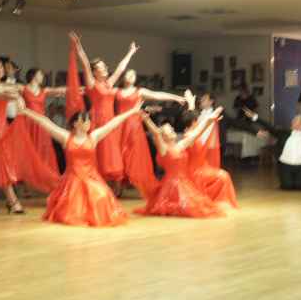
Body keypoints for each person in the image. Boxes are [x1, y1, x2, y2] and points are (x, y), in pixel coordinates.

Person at [18, 102, 143, 227]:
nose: (88, 123)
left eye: (88, 120)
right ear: (75, 123)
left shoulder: (94, 136)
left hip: (91, 177)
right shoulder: (66, 137)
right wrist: (26, 111)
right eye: (84, 120)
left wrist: (132, 111)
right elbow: (45, 122)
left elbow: (113, 123)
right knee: (73, 205)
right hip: (72, 180)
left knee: (102, 196)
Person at [0, 59, 59, 214]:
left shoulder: (2, 85)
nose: (1, 70)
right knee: (0, 164)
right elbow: (0, 95)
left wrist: (17, 95)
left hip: (1, 127)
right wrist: (17, 97)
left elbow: (12, 91)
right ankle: (10, 201)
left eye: (1, 67)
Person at [69, 31, 139, 193]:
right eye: (101, 67)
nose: (106, 68)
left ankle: (116, 187)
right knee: (100, 154)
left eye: (105, 66)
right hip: (97, 121)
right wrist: (78, 46)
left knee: (113, 154)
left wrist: (130, 52)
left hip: (111, 122)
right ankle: (98, 186)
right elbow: (85, 63)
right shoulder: (92, 83)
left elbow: (120, 68)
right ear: (95, 72)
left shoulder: (109, 83)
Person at [136, 107, 224, 218]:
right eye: (169, 130)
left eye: (171, 129)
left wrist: (210, 120)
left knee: (195, 205)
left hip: (185, 182)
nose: (172, 130)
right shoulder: (163, 148)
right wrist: (146, 119)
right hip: (171, 185)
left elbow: (197, 133)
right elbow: (156, 133)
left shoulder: (181, 145)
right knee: (186, 206)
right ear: (164, 136)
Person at [116, 69, 185, 198]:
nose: (131, 76)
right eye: (129, 74)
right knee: (120, 155)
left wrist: (175, 97)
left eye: (133, 74)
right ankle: (118, 187)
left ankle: (139, 187)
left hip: (134, 127)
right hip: (120, 126)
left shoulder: (139, 91)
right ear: (123, 77)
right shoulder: (117, 91)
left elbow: (157, 95)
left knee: (135, 156)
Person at [20, 68, 67, 175]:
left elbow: (59, 90)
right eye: (40, 74)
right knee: (30, 148)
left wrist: (78, 88)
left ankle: (43, 173)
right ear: (33, 75)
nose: (42, 77)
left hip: (41, 123)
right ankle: (30, 175)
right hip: (28, 123)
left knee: (43, 148)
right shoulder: (23, 89)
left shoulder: (44, 91)